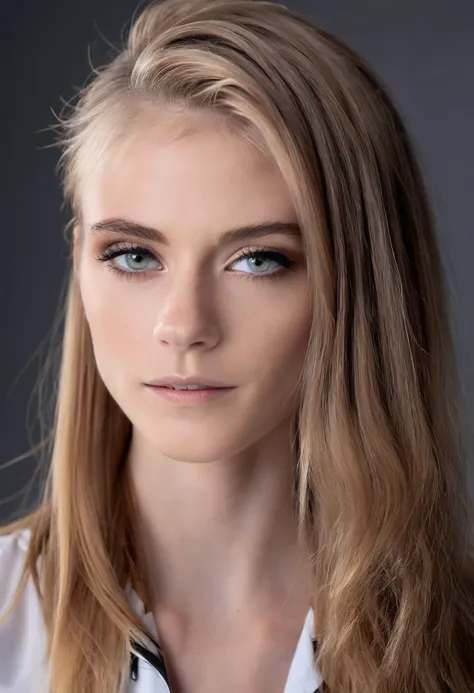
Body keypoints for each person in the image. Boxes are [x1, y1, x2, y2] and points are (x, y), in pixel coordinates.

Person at [1, 0, 474, 691]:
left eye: (258, 259)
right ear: (80, 262)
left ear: (365, 287)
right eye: (133, 254)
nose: (184, 323)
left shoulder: (455, 644)